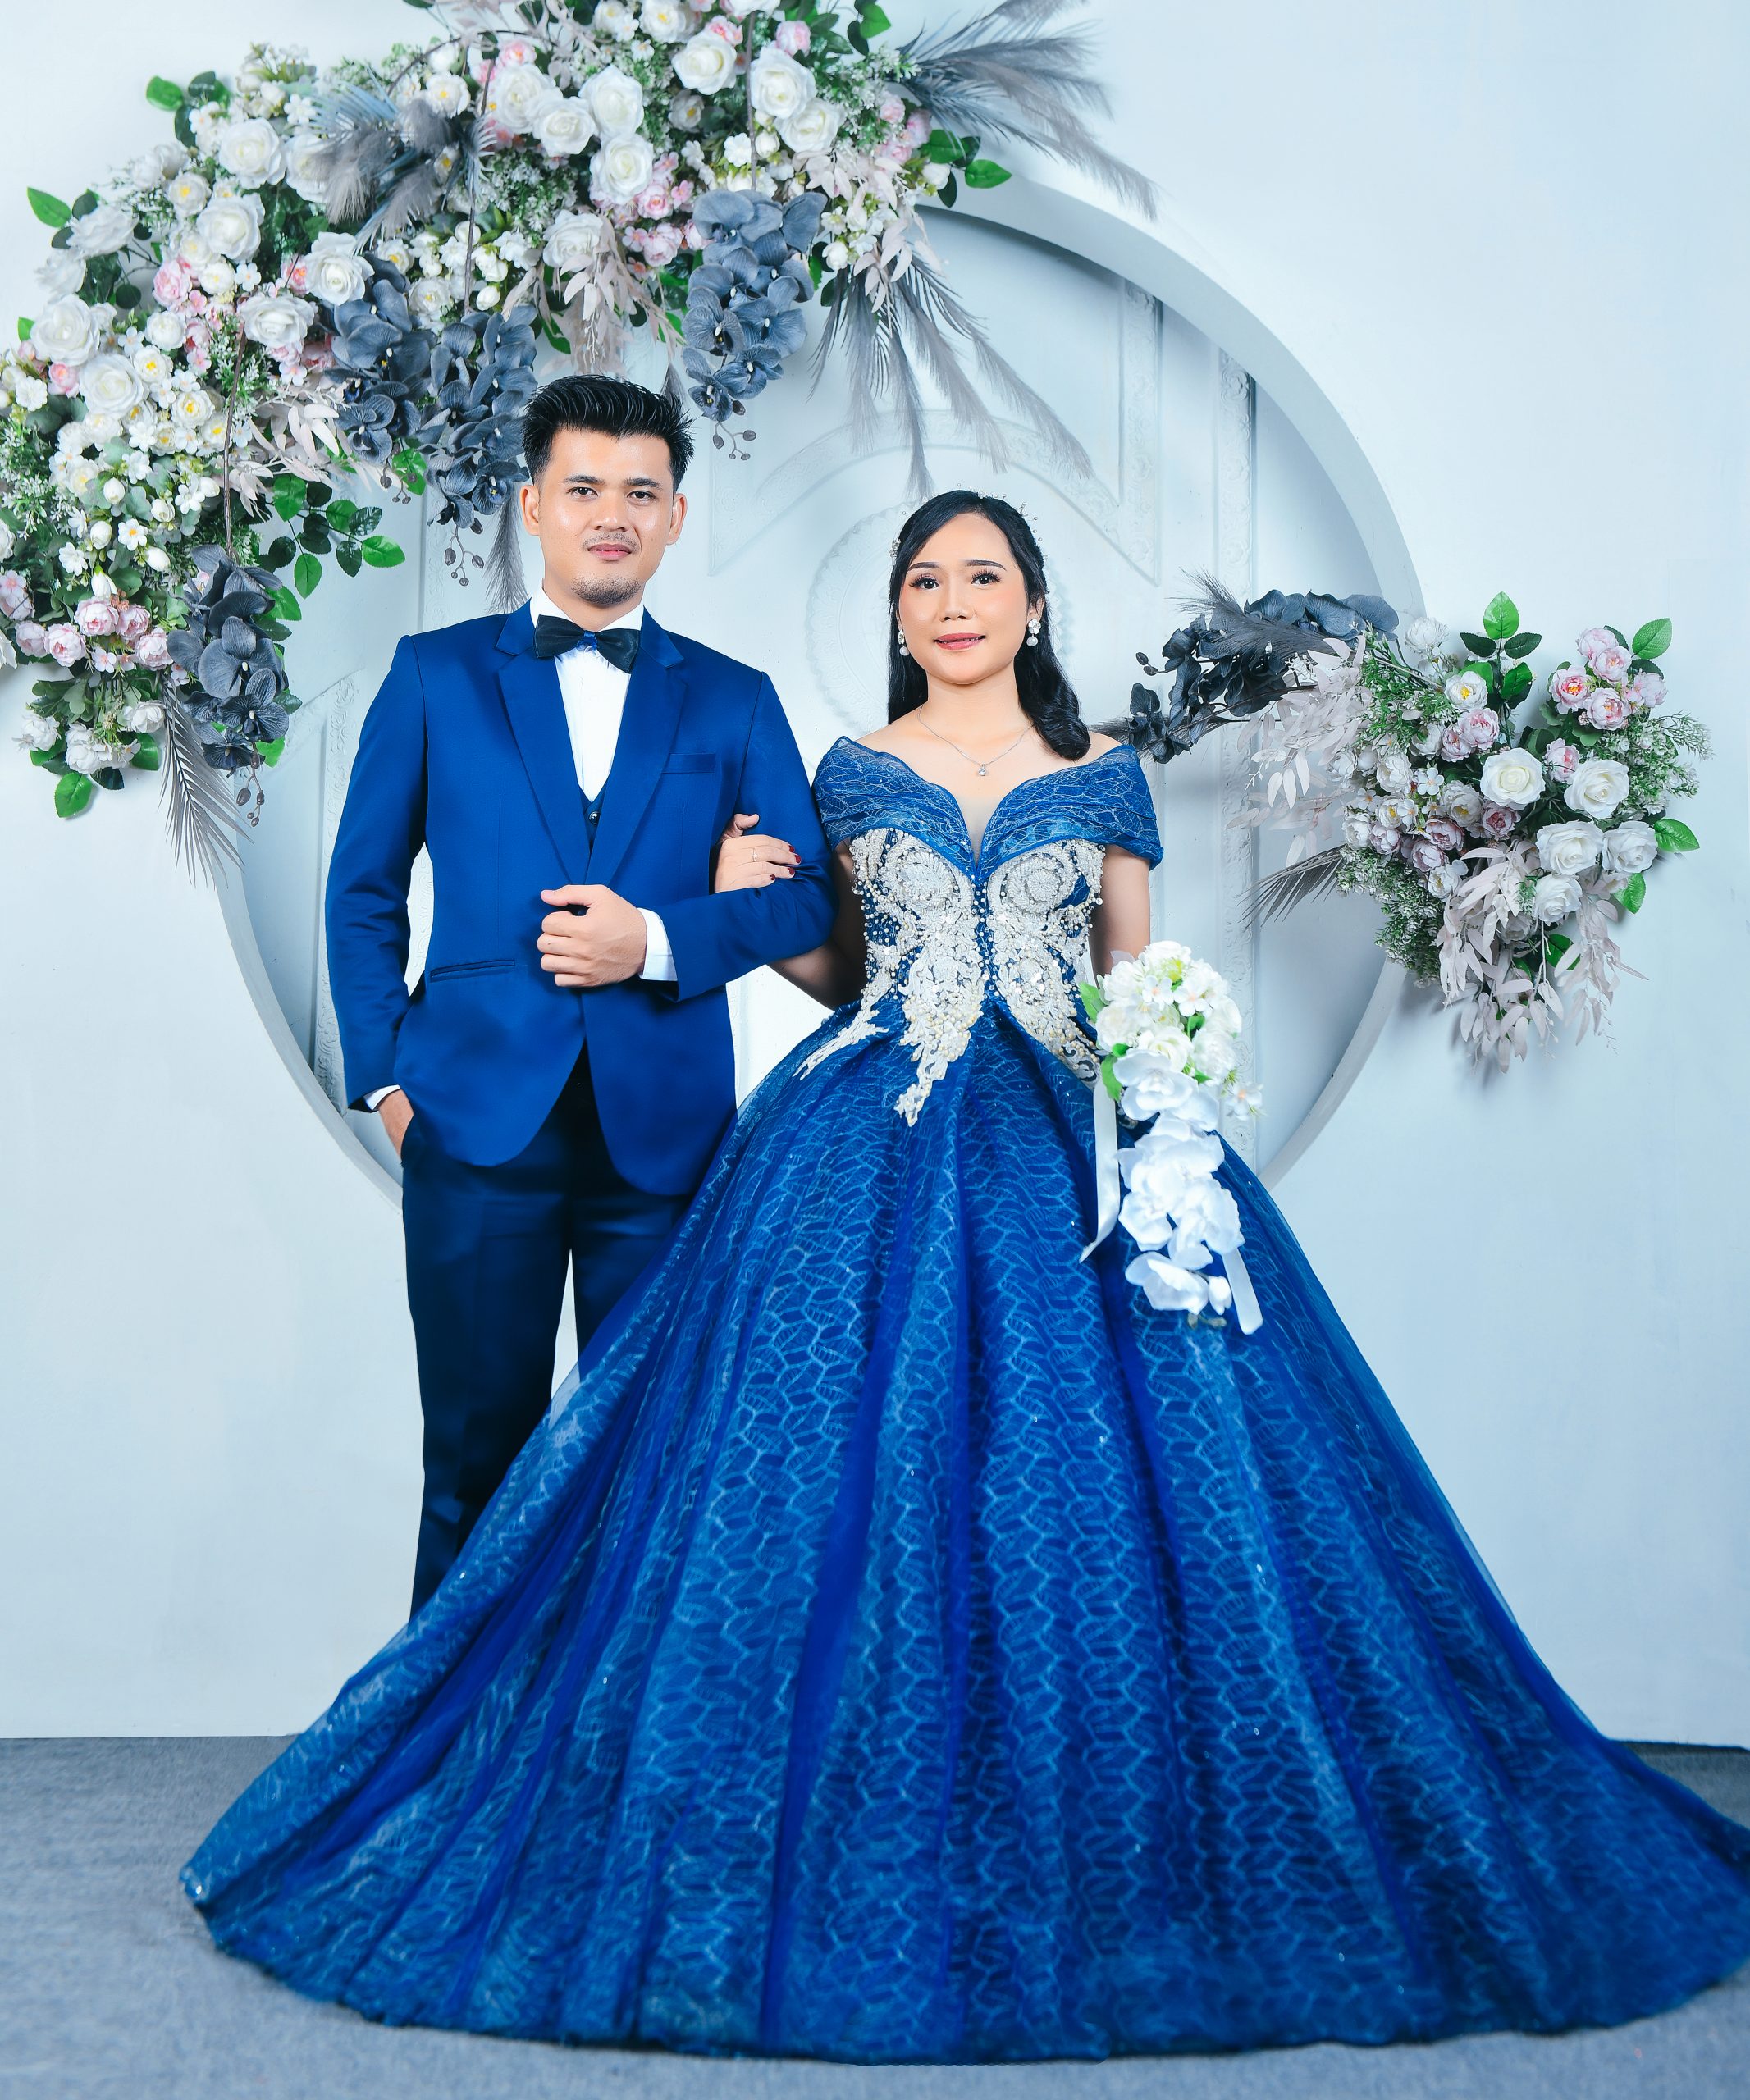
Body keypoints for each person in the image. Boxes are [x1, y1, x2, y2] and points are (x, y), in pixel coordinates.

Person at [186, 492, 1750, 2062]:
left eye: (981, 577)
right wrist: (749, 904)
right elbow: (840, 969)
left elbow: (1133, 973)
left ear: (1031, 602)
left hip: (1072, 1130)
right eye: (924, 580)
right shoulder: (851, 768)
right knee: (796, 1468)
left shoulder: (1105, 774)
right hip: (873, 1120)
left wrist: (1167, 1092)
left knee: (1116, 1475)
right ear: (899, 612)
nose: (952, 602)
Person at [322, 374, 835, 1614]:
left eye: (642, 493)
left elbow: (807, 904)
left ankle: (606, 1725)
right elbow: (363, 889)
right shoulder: (437, 675)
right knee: (473, 1467)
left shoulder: (734, 697)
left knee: (647, 1467)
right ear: (533, 506)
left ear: (676, 517)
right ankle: (444, 1732)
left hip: (664, 1136)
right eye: (586, 488)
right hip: (471, 1122)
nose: (614, 515)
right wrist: (386, 1082)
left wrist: (656, 939)